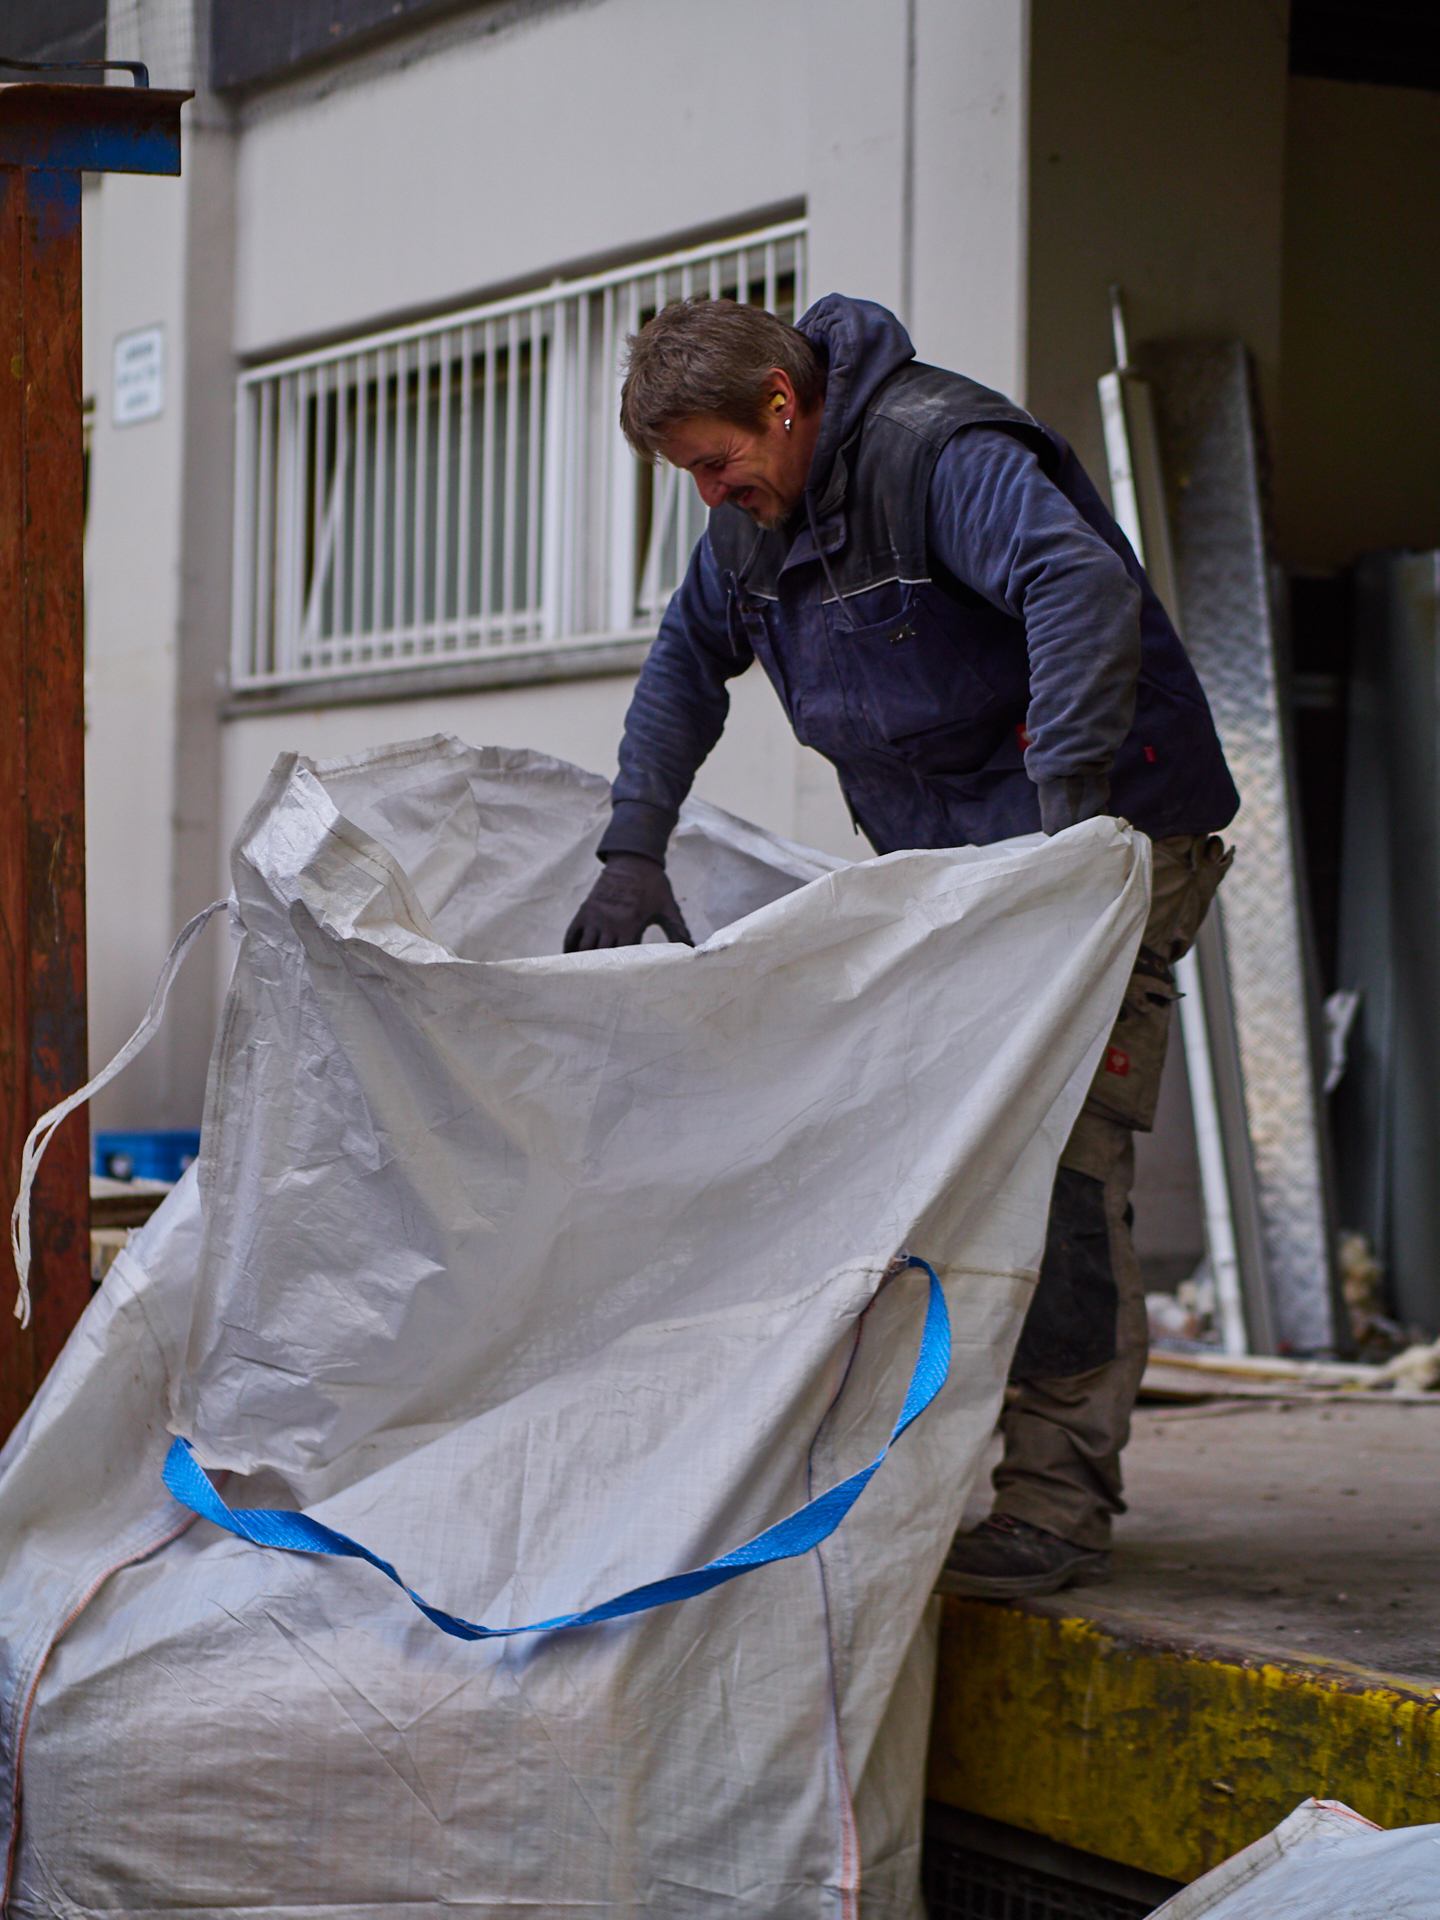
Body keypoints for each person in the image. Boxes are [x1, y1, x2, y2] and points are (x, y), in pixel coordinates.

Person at [564, 293, 1238, 1598]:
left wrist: (1066, 826)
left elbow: (1074, 584)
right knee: (930, 1149)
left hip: (1105, 851)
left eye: (717, 463)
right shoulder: (758, 530)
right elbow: (684, 665)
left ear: (780, 401)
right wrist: (631, 847)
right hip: (961, 875)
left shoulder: (941, 453)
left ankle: (1053, 1504)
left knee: (1055, 1157)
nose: (711, 495)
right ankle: (936, 1461)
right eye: (690, 477)